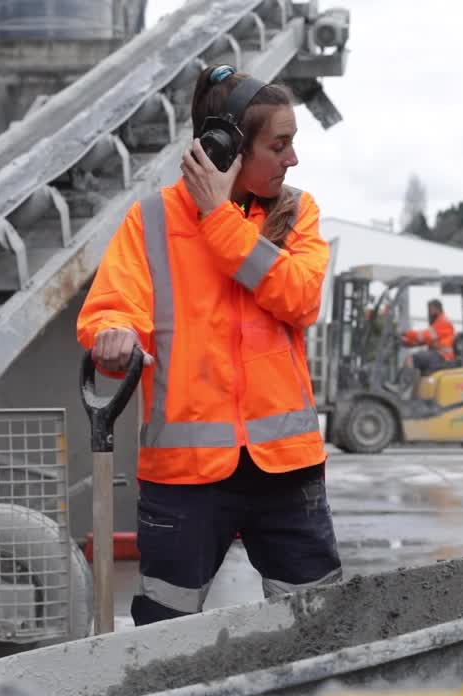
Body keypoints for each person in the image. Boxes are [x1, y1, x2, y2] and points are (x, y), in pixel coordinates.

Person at [76, 64, 342, 626]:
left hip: (285, 469)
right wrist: (113, 334)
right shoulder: (150, 221)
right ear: (227, 149)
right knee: (165, 632)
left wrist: (219, 218)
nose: (292, 159)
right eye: (280, 144)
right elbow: (111, 307)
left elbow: (300, 298)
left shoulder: (296, 213)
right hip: (185, 476)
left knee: (321, 625)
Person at [401, 299, 457, 375]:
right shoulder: (437, 323)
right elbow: (421, 341)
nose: (429, 313)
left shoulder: (443, 321)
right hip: (438, 355)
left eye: (430, 310)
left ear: (437, 309)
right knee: (419, 361)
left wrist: (406, 334)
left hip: (443, 356)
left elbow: (425, 336)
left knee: (411, 359)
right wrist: (406, 342)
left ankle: (407, 385)